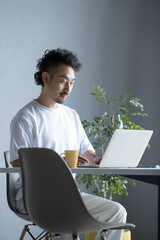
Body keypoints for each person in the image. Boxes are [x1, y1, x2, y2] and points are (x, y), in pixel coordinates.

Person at [10, 48, 127, 240]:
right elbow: (17, 163)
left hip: (69, 195)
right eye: (63, 80)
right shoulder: (26, 117)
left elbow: (86, 151)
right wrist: (59, 162)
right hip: (34, 197)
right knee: (65, 218)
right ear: (46, 78)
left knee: (117, 212)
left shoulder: (71, 116)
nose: (68, 88)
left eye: (72, 82)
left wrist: (97, 159)